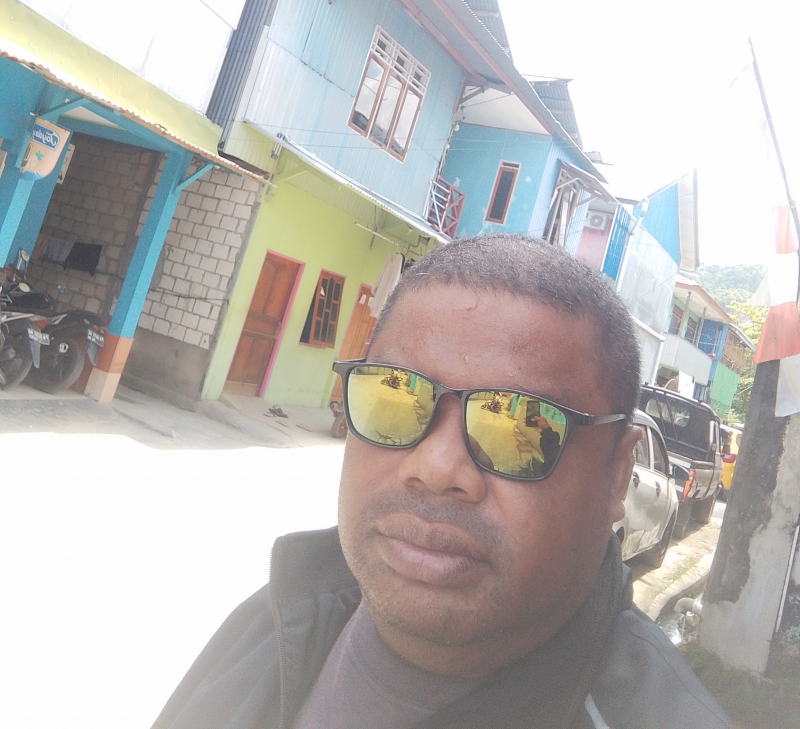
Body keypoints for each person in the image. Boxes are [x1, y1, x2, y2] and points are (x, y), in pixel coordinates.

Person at [152, 234, 730, 729]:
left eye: (519, 423)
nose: (434, 468)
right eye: (394, 394)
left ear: (617, 475)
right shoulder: (282, 616)